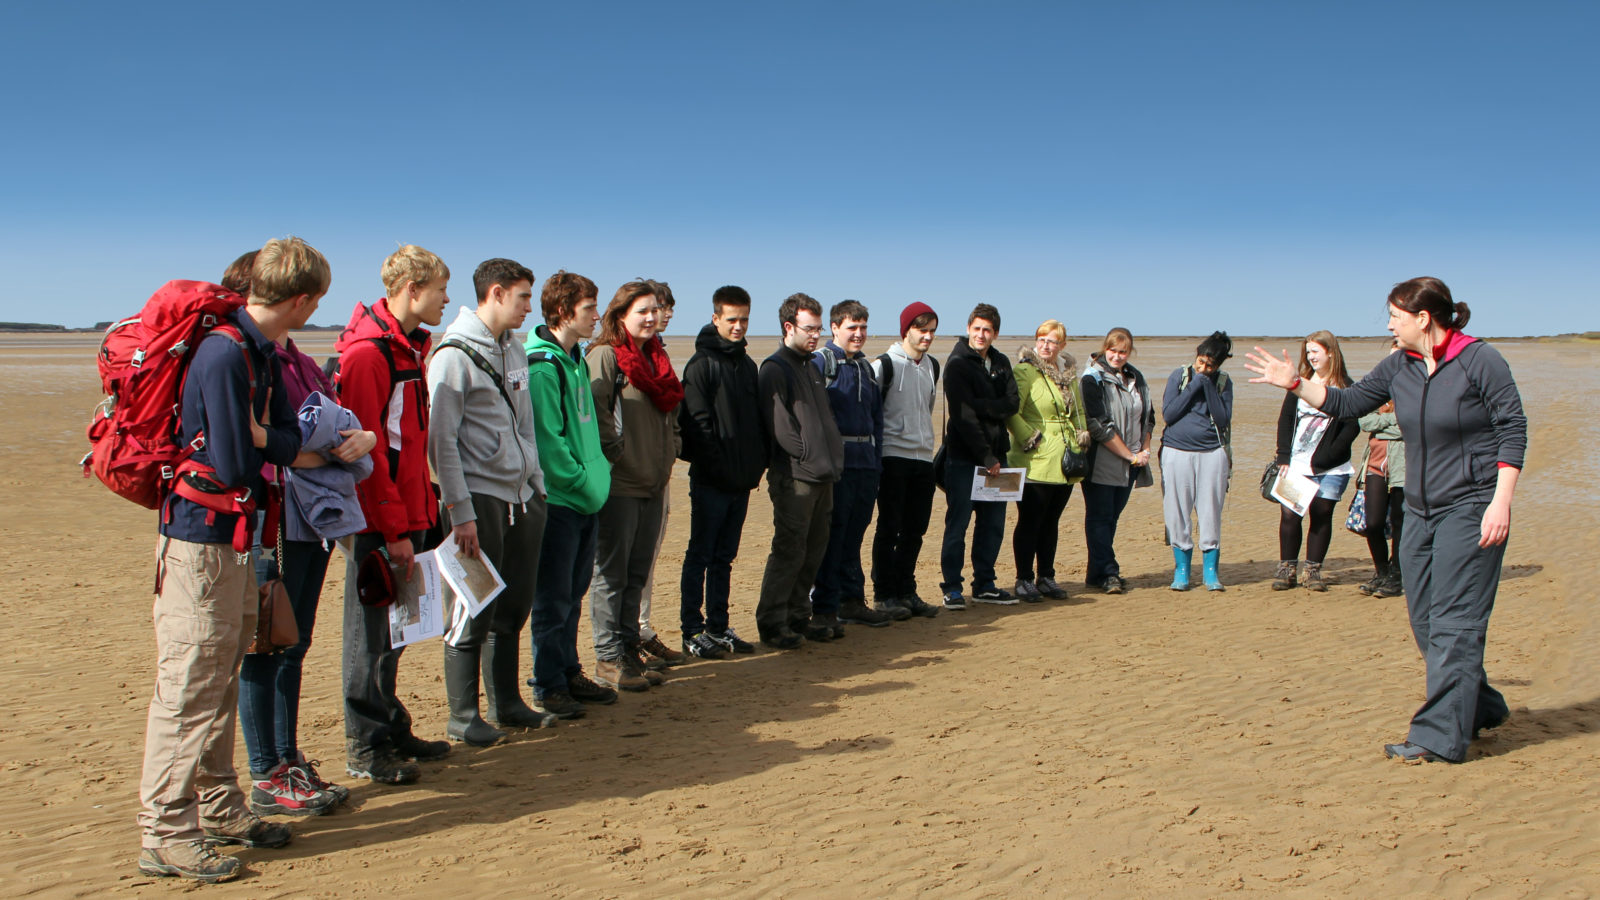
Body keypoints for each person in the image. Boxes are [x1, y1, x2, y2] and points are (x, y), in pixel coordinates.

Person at [1245, 276, 1525, 764]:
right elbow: (1348, 403)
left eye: (1395, 315)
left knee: (1456, 623)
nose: (1389, 323)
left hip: (1472, 506)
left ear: (1423, 319)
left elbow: (1512, 428)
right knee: (1424, 619)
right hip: (1419, 508)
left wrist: (1501, 502)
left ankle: (1439, 738)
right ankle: (1479, 704)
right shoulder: (1401, 365)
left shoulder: (1481, 360)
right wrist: (1293, 382)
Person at [137, 237, 322, 882]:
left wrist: (267, 437)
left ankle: (219, 807)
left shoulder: (256, 351)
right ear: (300, 299)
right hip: (199, 544)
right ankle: (166, 832)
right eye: (315, 301)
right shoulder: (224, 354)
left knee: (216, 679)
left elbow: (280, 439)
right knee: (189, 687)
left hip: (234, 540)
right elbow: (237, 461)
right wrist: (271, 441)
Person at [225, 250, 373, 820]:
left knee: (294, 643)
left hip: (308, 521)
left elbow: (335, 418)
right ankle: (268, 771)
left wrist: (357, 440)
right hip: (270, 521)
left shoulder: (295, 358)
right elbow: (255, 442)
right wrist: (318, 454)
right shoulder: (247, 356)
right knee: (269, 644)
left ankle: (287, 760)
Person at [334, 244, 451, 785]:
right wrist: (394, 527)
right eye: (440, 290)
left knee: (396, 630)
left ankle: (390, 724)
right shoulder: (367, 354)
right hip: (378, 520)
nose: (446, 300)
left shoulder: (410, 349)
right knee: (367, 632)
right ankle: (365, 745)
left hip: (410, 509)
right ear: (412, 290)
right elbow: (370, 454)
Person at [427, 258, 555, 746]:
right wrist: (461, 511)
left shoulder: (515, 350)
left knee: (513, 606)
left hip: (523, 498)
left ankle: (507, 704)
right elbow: (443, 444)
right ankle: (463, 716)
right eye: (523, 297)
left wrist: (537, 483)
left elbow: (525, 425)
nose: (528, 306)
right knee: (473, 605)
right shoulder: (453, 355)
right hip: (477, 503)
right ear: (496, 293)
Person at [524, 272, 618, 718]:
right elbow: (549, 442)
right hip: (560, 502)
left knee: (575, 592)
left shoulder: (575, 358)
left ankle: (568, 670)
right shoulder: (543, 366)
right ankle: (548, 684)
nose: (596, 317)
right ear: (563, 312)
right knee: (552, 598)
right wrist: (582, 482)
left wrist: (596, 481)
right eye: (588, 308)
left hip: (586, 499)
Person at [586, 282, 682, 691]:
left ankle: (629, 651)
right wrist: (619, 455)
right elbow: (598, 417)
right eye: (641, 310)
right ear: (620, 314)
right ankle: (608, 659)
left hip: (654, 481)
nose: (650, 317)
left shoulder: (657, 359)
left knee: (637, 573)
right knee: (612, 573)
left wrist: (670, 449)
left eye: (654, 310)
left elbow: (670, 416)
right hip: (621, 484)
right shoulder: (607, 357)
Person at [678, 286, 765, 659]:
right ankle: (692, 630)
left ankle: (718, 626)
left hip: (740, 482)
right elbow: (698, 427)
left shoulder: (747, 366)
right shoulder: (701, 365)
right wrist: (722, 469)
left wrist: (752, 467)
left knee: (724, 558)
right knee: (700, 553)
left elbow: (756, 424)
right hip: (712, 481)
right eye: (731, 319)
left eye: (744, 319)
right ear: (716, 319)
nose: (738, 326)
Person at [755, 293, 844, 648]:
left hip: (823, 475)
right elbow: (781, 428)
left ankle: (797, 616)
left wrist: (831, 456)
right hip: (795, 477)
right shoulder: (775, 369)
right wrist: (807, 456)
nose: (816, 336)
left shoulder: (811, 366)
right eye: (809, 329)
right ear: (788, 326)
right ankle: (773, 622)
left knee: (813, 550)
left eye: (819, 329)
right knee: (790, 549)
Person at [811, 300, 897, 628]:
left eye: (863, 328)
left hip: (865, 465)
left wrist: (875, 463)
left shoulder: (864, 368)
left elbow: (876, 418)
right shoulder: (822, 362)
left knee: (855, 536)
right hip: (838, 466)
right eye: (852, 328)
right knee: (834, 536)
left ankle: (852, 601)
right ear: (835, 328)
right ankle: (824, 608)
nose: (858, 334)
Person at [939, 303, 1020, 609]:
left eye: (987, 330)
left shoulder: (1000, 361)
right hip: (964, 458)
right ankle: (952, 588)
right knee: (958, 523)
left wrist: (982, 404)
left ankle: (984, 584)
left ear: (995, 333)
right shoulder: (958, 363)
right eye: (977, 329)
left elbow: (1012, 402)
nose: (981, 335)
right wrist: (986, 456)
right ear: (969, 328)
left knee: (993, 524)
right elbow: (963, 417)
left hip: (999, 456)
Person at [1005, 319, 1089, 601]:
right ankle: (1023, 579)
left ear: (1062, 346)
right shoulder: (1025, 372)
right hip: (1034, 460)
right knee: (1030, 519)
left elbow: (1077, 410)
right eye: (1041, 339)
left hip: (1065, 461)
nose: (1045, 345)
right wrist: (1031, 437)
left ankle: (1047, 576)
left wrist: (1081, 435)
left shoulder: (1067, 375)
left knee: (1051, 520)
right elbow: (1010, 411)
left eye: (1052, 341)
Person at [1269, 330, 1359, 592]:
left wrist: (1330, 456)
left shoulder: (1346, 387)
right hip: (1296, 464)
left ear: (1330, 352)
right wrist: (1283, 455)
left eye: (1315, 351)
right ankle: (1287, 568)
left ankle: (1313, 571)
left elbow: (1351, 428)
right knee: (1290, 515)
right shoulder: (1301, 382)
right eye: (1308, 352)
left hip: (1332, 467)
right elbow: (1285, 420)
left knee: (1321, 516)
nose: (1311, 357)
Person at [869, 302, 942, 618]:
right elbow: (871, 415)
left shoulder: (932, 366)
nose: (927, 337)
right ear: (906, 330)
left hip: (923, 459)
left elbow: (927, 409)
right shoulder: (883, 365)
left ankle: (906, 590)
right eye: (921, 330)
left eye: (932, 331)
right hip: (892, 458)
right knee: (889, 528)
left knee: (916, 529)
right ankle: (884, 594)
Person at [632, 279, 688, 668]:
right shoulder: (619, 358)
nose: (663, 315)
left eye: (666, 308)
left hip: (658, 470)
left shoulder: (659, 357)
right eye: (657, 308)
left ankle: (641, 629)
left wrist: (672, 449)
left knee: (647, 558)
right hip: (630, 476)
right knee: (627, 563)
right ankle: (628, 636)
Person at [1158, 331, 1234, 592]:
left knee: (1210, 510)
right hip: (1176, 451)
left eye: (1210, 365)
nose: (1203, 368)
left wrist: (1208, 385)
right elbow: (1169, 413)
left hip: (1212, 453)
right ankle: (1182, 570)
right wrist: (1194, 384)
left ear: (1219, 365)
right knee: (1177, 510)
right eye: (1200, 361)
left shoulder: (1223, 382)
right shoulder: (1179, 376)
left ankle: (1210, 570)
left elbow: (1223, 419)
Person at [1080, 327, 1154, 595]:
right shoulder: (1092, 379)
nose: (1117, 356)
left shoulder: (1137, 378)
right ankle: (1110, 572)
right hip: (1102, 461)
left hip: (1132, 462)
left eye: (1123, 352)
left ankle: (1095, 573)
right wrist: (1129, 454)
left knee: (1111, 519)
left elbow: (1149, 417)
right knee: (1099, 518)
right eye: (1112, 350)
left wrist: (1143, 451)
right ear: (1104, 348)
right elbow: (1099, 425)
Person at [1357, 342, 1406, 598]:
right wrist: (1392, 421)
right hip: (1375, 463)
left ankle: (1396, 576)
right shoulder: (1378, 387)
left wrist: (1382, 422)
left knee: (1400, 524)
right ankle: (1381, 571)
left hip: (1403, 467)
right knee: (1373, 523)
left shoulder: (1415, 389)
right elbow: (1364, 421)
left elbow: (1409, 425)